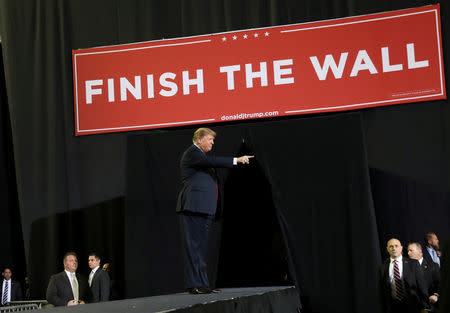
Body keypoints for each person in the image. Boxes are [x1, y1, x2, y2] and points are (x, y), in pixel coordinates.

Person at [176, 127, 253, 294]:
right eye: (210, 139)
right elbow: (213, 161)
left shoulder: (201, 157)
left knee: (201, 248)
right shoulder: (192, 153)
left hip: (204, 209)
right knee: (194, 248)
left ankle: (203, 284)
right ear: (199, 140)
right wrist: (236, 160)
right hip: (193, 207)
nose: (212, 143)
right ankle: (196, 284)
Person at [379, 238, 429, 313]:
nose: (394, 248)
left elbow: (422, 286)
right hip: (393, 307)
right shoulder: (383, 267)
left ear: (401, 248)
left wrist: (426, 307)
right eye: (391, 246)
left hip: (413, 306)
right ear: (387, 249)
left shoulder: (413, 264)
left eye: (396, 246)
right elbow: (383, 290)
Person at [407, 242, 440, 311]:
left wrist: (436, 295)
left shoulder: (433, 266)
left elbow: (440, 285)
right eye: (408, 251)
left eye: (411, 250)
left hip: (430, 306)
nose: (408, 253)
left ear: (420, 251)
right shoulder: (406, 268)